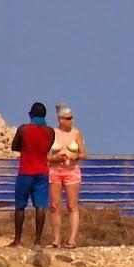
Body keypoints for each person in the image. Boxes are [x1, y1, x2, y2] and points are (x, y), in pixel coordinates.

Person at [9, 101, 54, 248]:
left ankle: (17, 240)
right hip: (42, 172)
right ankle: (38, 242)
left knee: (20, 206)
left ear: (31, 114)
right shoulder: (50, 132)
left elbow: (14, 146)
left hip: (26, 171)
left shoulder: (23, 129)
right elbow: (47, 148)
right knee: (40, 206)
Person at [47, 104, 86, 249]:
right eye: (67, 119)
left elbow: (83, 153)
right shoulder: (52, 133)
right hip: (55, 170)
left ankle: (72, 239)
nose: (70, 121)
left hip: (71, 171)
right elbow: (45, 156)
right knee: (54, 205)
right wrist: (56, 158)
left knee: (72, 205)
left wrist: (73, 156)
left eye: (71, 118)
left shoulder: (76, 133)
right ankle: (56, 238)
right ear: (61, 119)